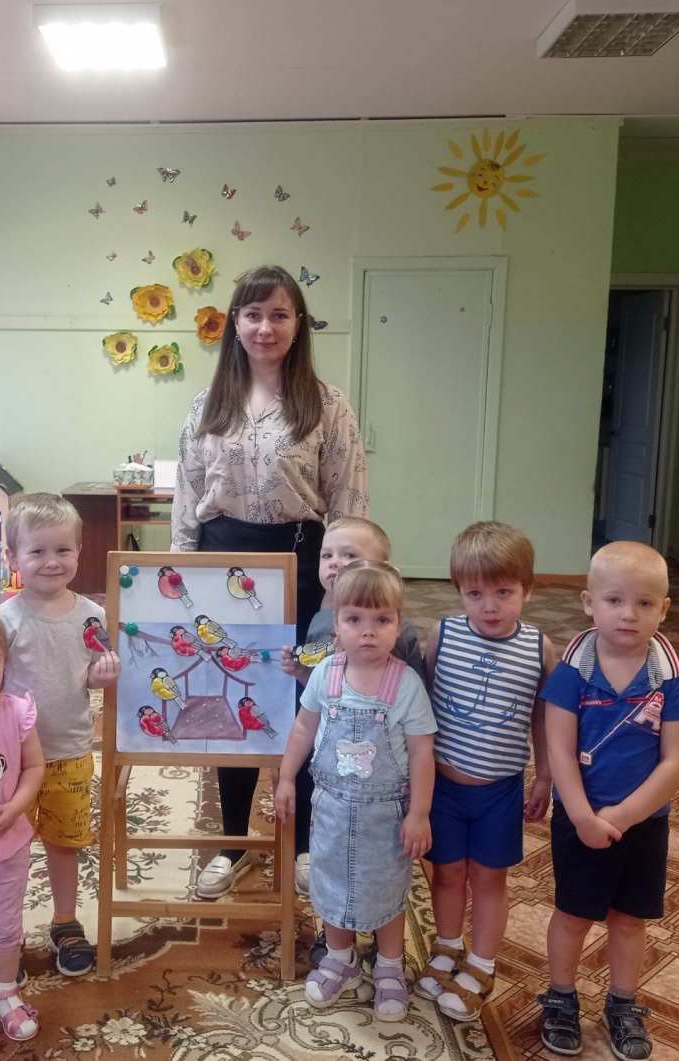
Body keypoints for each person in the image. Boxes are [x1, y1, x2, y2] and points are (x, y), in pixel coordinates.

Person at [170, 264, 368, 901]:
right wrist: (180, 578)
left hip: (305, 569)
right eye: (253, 314)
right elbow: (188, 498)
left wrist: (347, 584)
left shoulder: (327, 404)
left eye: (279, 314)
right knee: (231, 700)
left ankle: (304, 842)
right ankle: (232, 843)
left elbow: (348, 501)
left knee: (307, 695)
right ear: (235, 323)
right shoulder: (208, 405)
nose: (265, 327)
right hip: (222, 568)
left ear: (298, 324)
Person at [537, 541, 679, 1061]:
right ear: (589, 603)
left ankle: (623, 1003)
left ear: (663, 609)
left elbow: (677, 760)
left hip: (644, 824)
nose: (629, 614)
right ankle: (561, 997)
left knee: (629, 919)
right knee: (573, 914)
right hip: (579, 819)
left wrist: (624, 816)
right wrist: (583, 816)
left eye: (644, 603)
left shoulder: (670, 677)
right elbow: (559, 751)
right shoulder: (572, 673)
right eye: (614, 600)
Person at [274, 562, 436, 1022]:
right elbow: (303, 727)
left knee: (387, 890)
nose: (368, 631)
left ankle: (389, 967)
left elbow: (422, 752)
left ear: (398, 624)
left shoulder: (406, 684)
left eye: (382, 620)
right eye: (354, 619)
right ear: (336, 625)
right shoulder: (325, 674)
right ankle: (340, 959)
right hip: (329, 807)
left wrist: (419, 813)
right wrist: (286, 777)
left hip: (386, 816)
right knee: (330, 884)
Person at [415, 521, 555, 1022]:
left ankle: (482, 963)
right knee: (448, 873)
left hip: (500, 791)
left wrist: (545, 776)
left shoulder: (539, 649)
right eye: (475, 594)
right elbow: (421, 705)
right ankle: (448, 947)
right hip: (444, 787)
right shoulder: (443, 635)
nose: (489, 606)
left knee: (490, 879)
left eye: (503, 593)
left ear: (527, 590)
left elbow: (544, 716)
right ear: (459, 591)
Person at [0, 493, 121, 977]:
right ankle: (5, 937)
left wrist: (101, 675)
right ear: (12, 558)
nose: (52, 561)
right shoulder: (4, 620)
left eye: (63, 550)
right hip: (11, 761)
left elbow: (90, 672)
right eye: (38, 551)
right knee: (6, 849)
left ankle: (65, 922)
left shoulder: (92, 614)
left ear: (79, 551)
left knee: (64, 843)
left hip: (69, 751)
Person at [281, 515, 424, 898]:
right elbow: (323, 691)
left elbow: (415, 702)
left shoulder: (399, 634)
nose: (334, 564)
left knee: (381, 855)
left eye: (349, 555)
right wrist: (301, 672)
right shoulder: (319, 621)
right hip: (335, 762)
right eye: (327, 555)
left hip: (386, 767)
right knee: (334, 838)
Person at [0, 615, 44, 1042]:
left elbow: (33, 767)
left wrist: (15, 806)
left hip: (6, 845)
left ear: (5, 662)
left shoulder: (16, 712)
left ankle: (5, 990)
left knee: (5, 923)